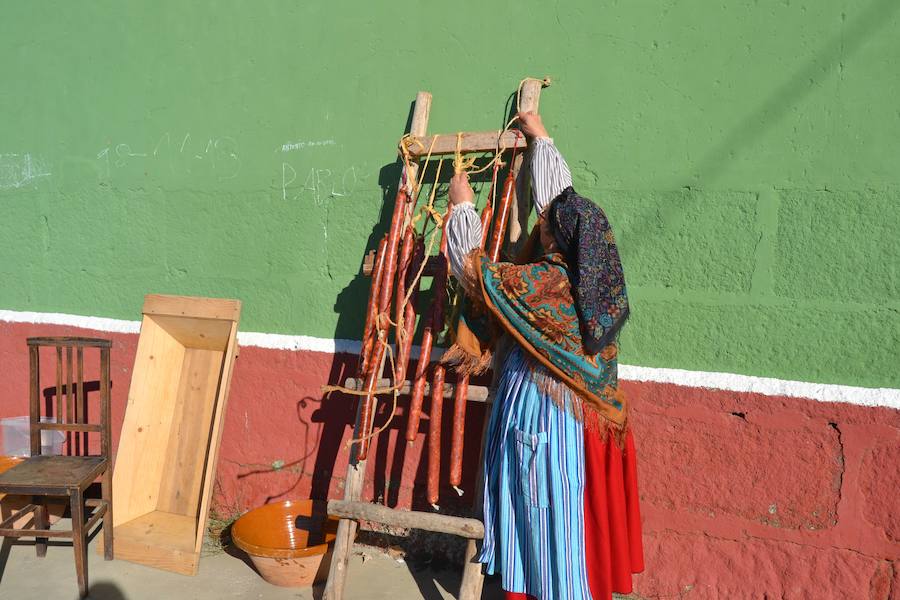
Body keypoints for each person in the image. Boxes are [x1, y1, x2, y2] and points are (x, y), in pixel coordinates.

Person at [443, 112, 644, 600]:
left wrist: (462, 208)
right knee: (572, 516)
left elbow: (476, 275)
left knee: (545, 513)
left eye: (546, 225)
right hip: (586, 424)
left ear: (555, 236)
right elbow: (561, 205)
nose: (540, 224)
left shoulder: (545, 281)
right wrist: (541, 137)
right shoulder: (595, 278)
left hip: (549, 424)